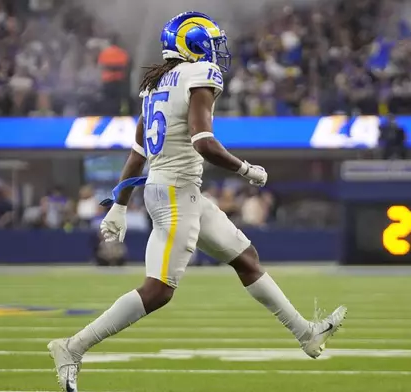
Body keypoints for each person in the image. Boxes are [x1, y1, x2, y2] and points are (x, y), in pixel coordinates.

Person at [47, 12, 346, 392]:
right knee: (158, 290)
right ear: (193, 45)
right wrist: (245, 169)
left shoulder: (155, 84)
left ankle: (306, 333)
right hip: (176, 194)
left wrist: (120, 204)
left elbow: (137, 154)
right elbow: (203, 142)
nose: (217, 53)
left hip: (178, 191)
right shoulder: (198, 76)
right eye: (211, 43)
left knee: (245, 257)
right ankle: (73, 347)